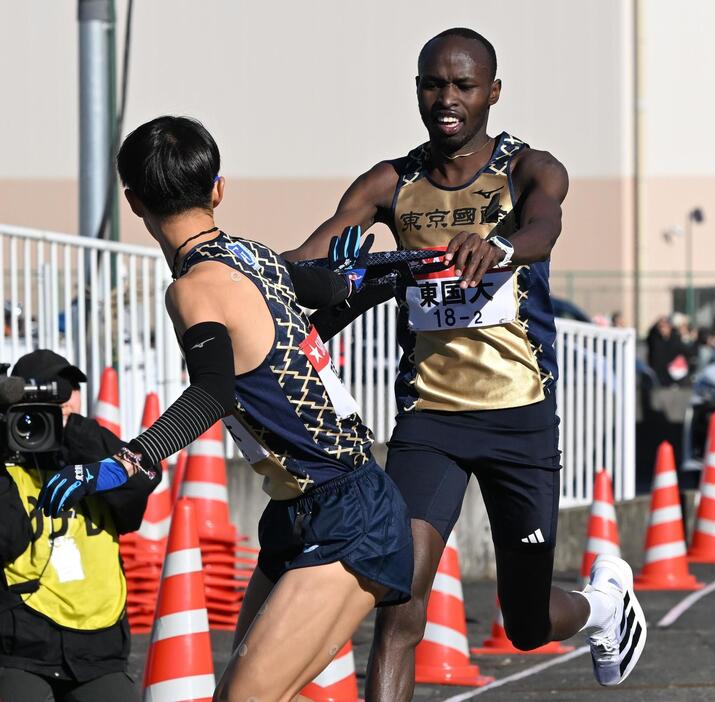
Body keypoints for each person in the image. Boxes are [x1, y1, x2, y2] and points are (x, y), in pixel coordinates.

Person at [286, 27, 646, 695]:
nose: (446, 99)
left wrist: (503, 248)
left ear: (492, 93)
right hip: (431, 420)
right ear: (417, 89)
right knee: (398, 600)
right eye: (432, 84)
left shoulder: (527, 168)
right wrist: (251, 267)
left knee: (527, 622)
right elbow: (308, 259)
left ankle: (601, 606)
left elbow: (543, 226)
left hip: (518, 419)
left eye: (462, 86)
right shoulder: (391, 183)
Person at [36, 116, 413, 702]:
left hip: (347, 513)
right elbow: (306, 323)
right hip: (304, 510)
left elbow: (214, 392)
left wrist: (130, 461)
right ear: (218, 188)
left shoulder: (191, 289)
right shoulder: (255, 256)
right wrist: (360, 279)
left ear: (133, 203)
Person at [0, 350, 159, 702]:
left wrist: (74, 431)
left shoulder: (95, 456)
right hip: (22, 648)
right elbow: (7, 539)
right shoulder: (8, 465)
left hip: (97, 651)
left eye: (69, 388)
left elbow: (144, 476)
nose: (62, 398)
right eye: (49, 391)